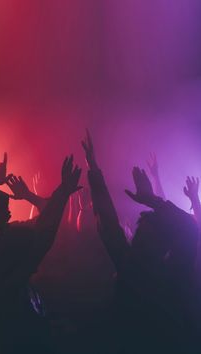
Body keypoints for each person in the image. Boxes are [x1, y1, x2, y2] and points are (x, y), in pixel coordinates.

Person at [82, 130, 199, 353]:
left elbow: (106, 219)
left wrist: (94, 169)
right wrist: (152, 200)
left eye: (143, 230)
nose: (139, 233)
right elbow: (190, 230)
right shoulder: (176, 274)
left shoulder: (130, 267)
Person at [0, 153, 82, 354]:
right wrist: (62, 192)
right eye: (2, 210)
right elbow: (45, 228)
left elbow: (44, 222)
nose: (8, 213)